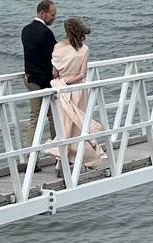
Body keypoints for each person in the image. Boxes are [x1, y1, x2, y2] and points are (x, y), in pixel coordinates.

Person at [45, 18, 107, 171]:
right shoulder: (84, 49)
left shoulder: (57, 47)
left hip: (62, 90)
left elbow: (54, 73)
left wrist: (64, 81)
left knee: (64, 125)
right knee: (78, 126)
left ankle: (60, 160)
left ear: (66, 31)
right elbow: (82, 74)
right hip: (78, 90)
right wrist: (70, 81)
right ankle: (81, 157)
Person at [21, 0, 57, 146]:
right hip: (43, 81)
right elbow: (54, 56)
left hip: (30, 78)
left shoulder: (26, 30)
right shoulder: (46, 33)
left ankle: (31, 156)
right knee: (54, 117)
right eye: (52, 15)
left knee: (34, 118)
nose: (54, 18)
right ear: (43, 13)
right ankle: (60, 152)